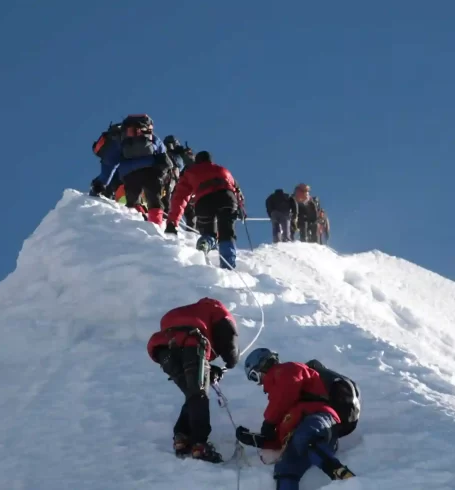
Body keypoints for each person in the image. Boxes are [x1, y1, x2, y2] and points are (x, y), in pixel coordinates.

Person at [236, 348, 356, 489]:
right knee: (285, 468)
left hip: (319, 418)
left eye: (255, 377)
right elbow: (279, 435)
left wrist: (268, 422)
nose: (260, 383)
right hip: (299, 438)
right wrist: (258, 439)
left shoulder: (287, 370)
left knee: (305, 436)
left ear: (262, 366)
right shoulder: (284, 409)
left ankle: (341, 474)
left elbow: (286, 392)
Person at [146, 297, 240, 463]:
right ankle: (199, 444)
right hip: (192, 344)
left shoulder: (189, 312)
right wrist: (231, 361)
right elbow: (228, 333)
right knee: (199, 395)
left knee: (193, 393)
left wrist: (209, 369)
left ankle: (182, 437)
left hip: (163, 351)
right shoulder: (216, 308)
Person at [164, 151, 247, 270]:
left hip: (204, 201)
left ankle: (206, 242)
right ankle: (228, 265)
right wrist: (241, 209)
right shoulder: (223, 170)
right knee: (227, 232)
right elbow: (237, 191)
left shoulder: (190, 172)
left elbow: (179, 198)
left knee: (209, 232)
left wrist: (172, 222)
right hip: (227, 198)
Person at [91, 114, 171, 224]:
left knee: (132, 199)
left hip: (129, 173)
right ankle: (156, 225)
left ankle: (135, 222)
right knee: (154, 198)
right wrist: (164, 173)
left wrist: (101, 184)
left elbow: (110, 164)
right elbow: (165, 160)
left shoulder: (119, 140)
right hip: (152, 171)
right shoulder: (154, 139)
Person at [89, 122, 123, 199]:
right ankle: (96, 194)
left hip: (113, 155)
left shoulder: (113, 140)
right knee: (111, 178)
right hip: (118, 156)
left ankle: (96, 193)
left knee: (108, 177)